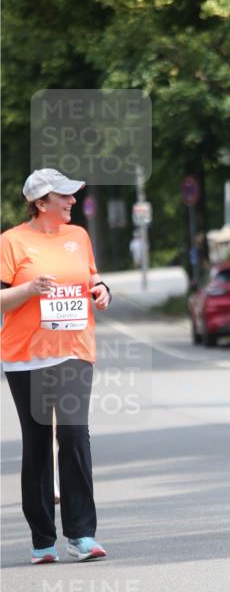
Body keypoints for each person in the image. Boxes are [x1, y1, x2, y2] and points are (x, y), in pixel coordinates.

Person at [0, 168, 111, 564]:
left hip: (74, 350)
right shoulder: (11, 242)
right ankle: (42, 538)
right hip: (25, 356)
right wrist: (29, 289)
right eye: (64, 197)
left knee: (75, 436)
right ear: (41, 202)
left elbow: (93, 278)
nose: (72, 202)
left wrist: (101, 291)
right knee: (37, 445)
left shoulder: (77, 236)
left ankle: (81, 535)